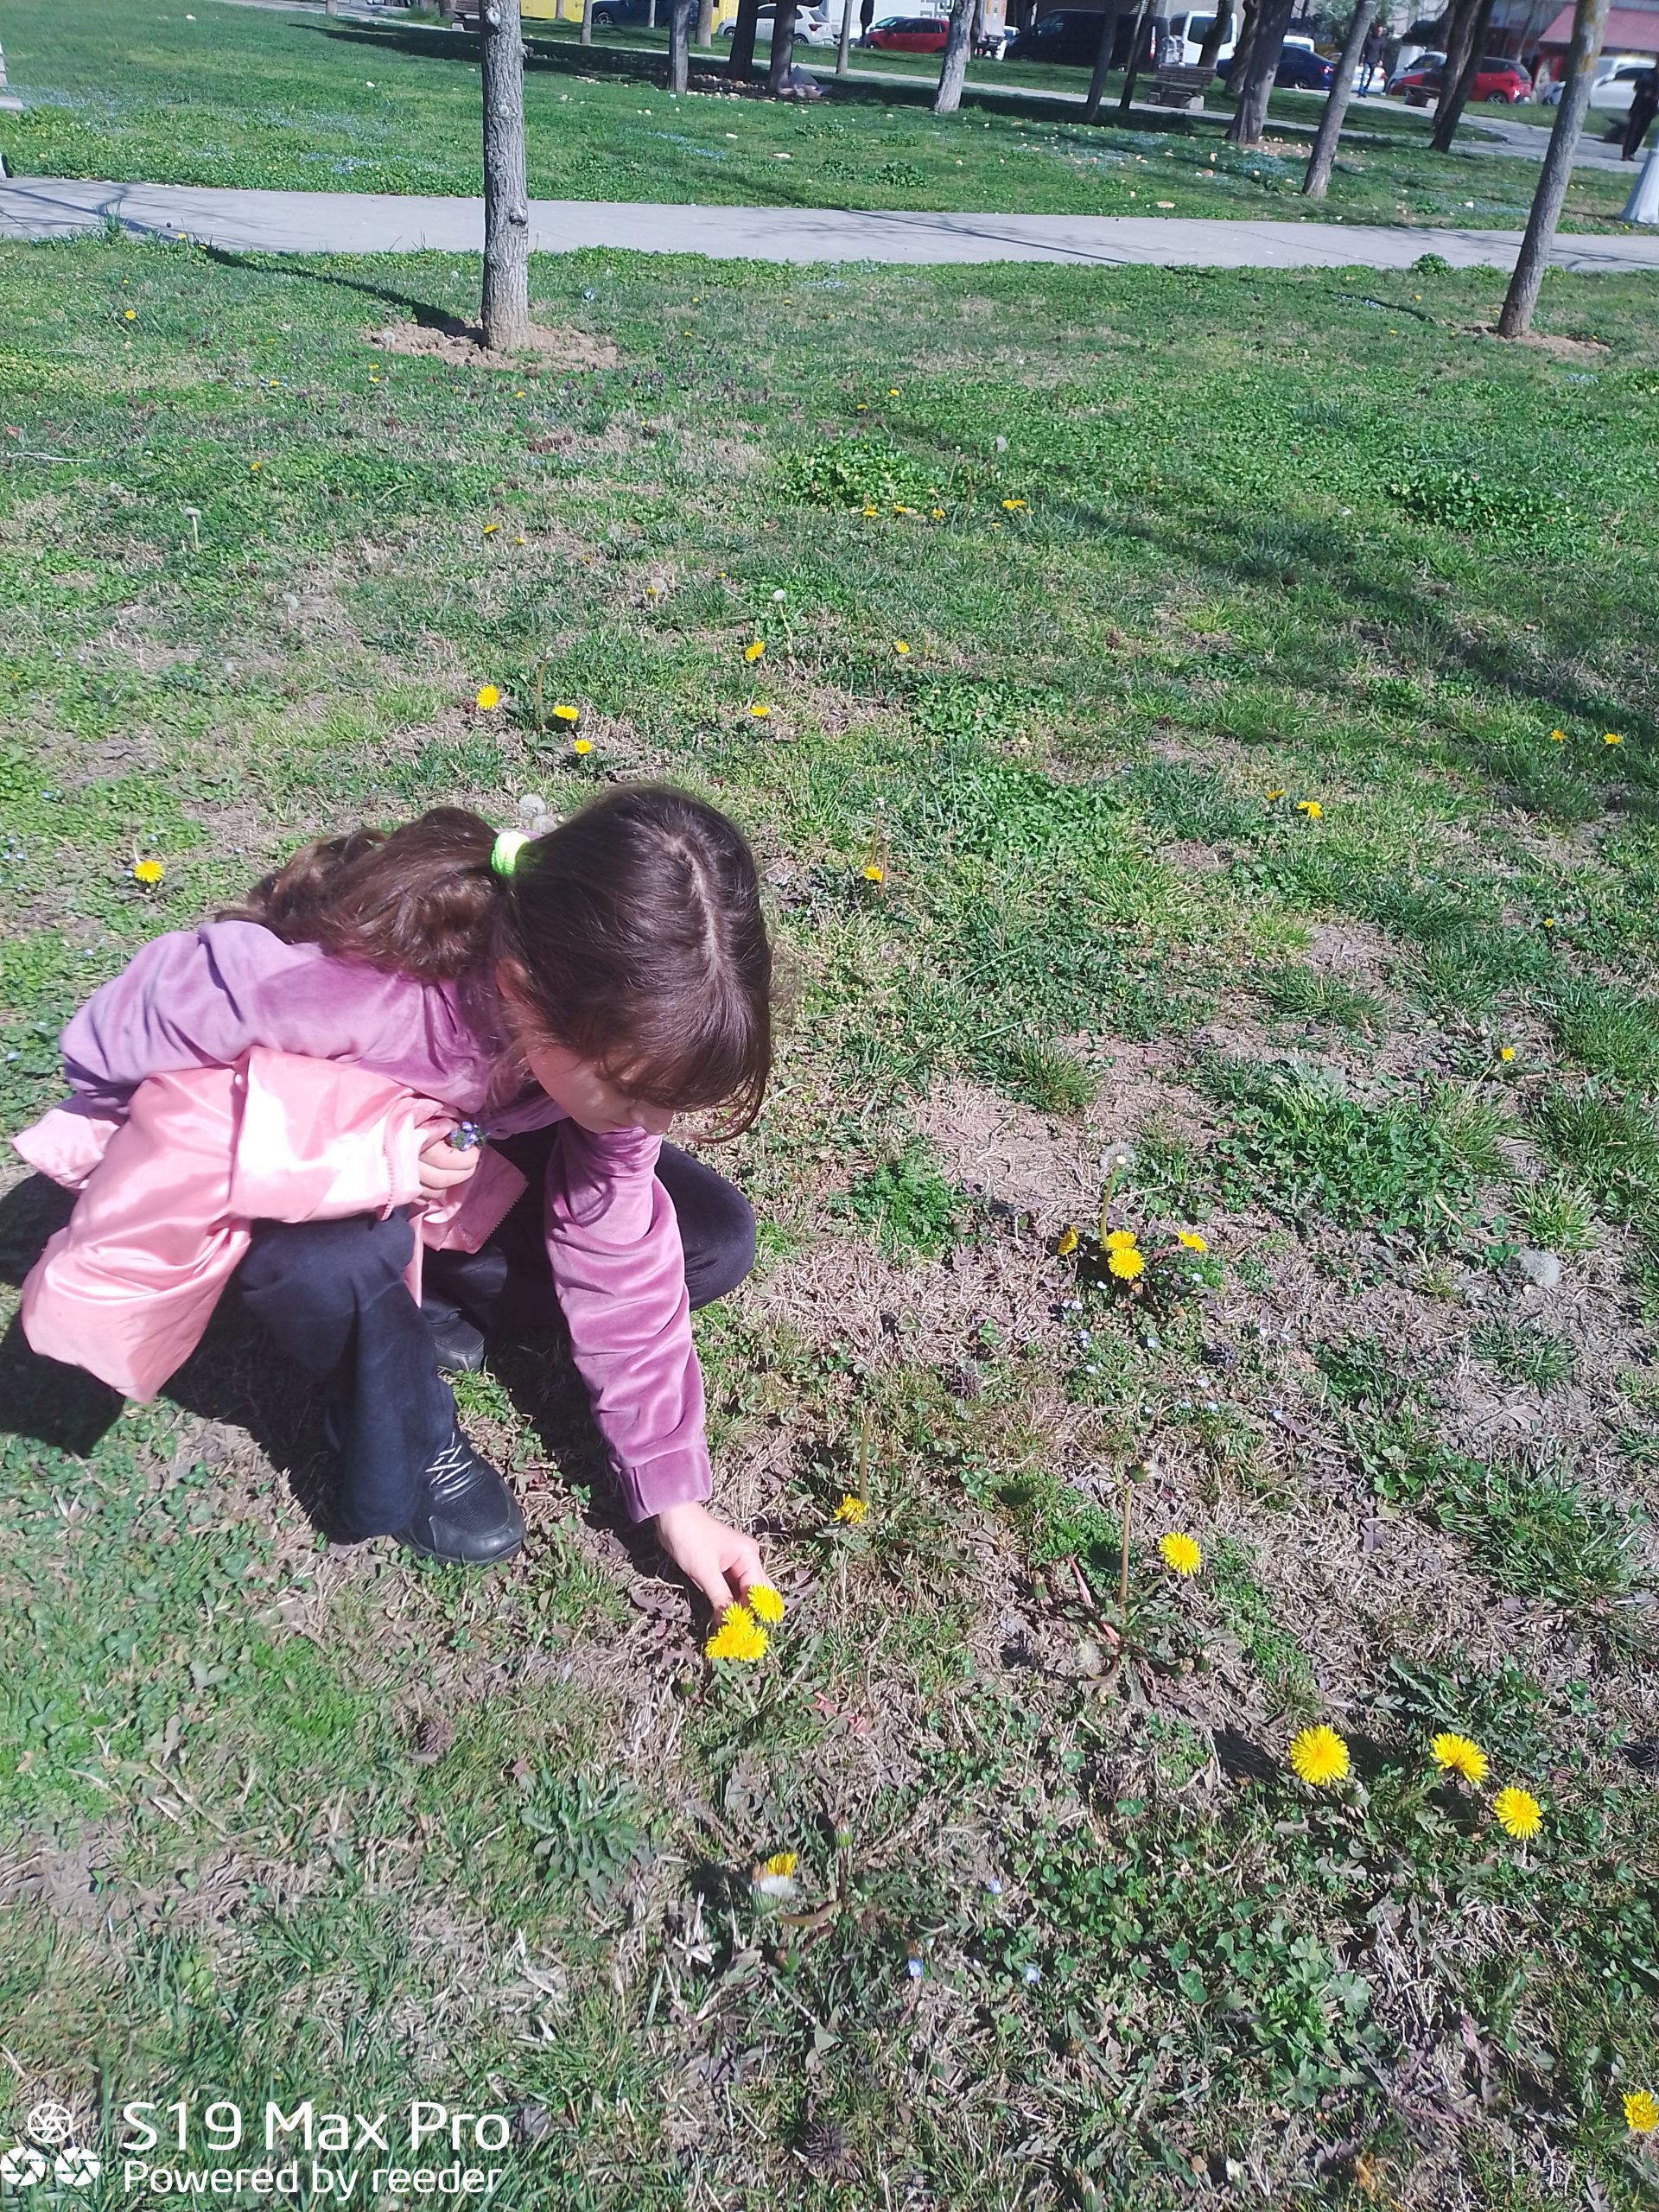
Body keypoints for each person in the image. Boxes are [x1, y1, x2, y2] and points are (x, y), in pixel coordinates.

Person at [28, 788, 777, 1611]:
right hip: (306, 1180)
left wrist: (676, 1499)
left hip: (454, 1153)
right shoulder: (355, 990)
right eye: (632, 1091)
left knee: (709, 1239)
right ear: (528, 990)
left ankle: (431, 1296)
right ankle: (405, 1424)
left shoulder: (600, 1033)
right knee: (335, 1264)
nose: (653, 1123)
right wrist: (119, 1145)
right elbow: (139, 1017)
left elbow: (619, 1240)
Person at [1622, 61, 1657, 160]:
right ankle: (1626, 153)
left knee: (1641, 131)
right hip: (1639, 106)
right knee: (1633, 130)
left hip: (1651, 108)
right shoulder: (1646, 73)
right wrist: (1645, 92)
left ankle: (1632, 152)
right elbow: (1637, 87)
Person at [1360, 20, 1386, 92]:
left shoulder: (1381, 41)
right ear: (1375, 30)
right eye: (1378, 31)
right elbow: (1364, 50)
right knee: (1364, 75)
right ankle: (1361, 89)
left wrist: (1381, 60)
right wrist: (1361, 60)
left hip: (1374, 61)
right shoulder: (1369, 39)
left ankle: (1365, 89)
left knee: (1371, 76)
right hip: (1367, 60)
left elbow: (1382, 51)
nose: (1379, 33)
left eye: (1381, 31)